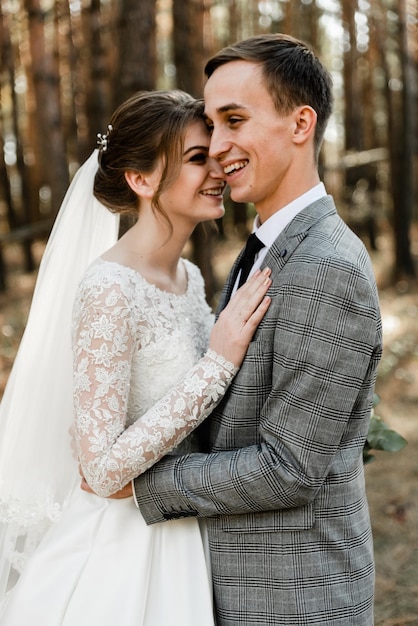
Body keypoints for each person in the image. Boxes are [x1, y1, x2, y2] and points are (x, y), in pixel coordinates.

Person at [131, 34, 383, 625]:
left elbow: (290, 466)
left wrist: (143, 485)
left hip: (296, 600)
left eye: (234, 120)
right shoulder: (270, 246)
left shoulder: (326, 267)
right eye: (211, 124)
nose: (217, 146)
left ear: (301, 124)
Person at [0, 89, 272, 625]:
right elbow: (99, 469)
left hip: (186, 525)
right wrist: (216, 366)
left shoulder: (189, 278)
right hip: (121, 551)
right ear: (141, 180)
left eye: (215, 154)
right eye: (197, 158)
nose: (218, 169)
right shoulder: (109, 289)